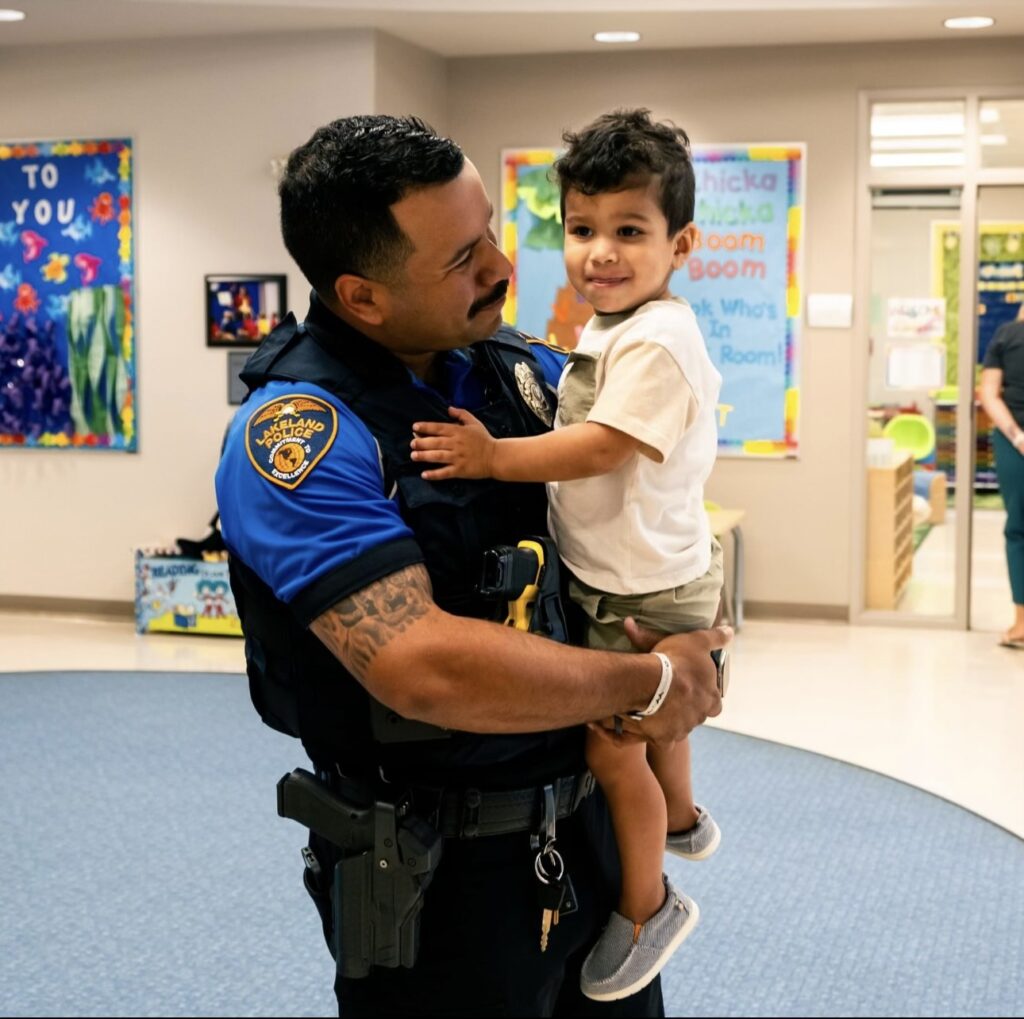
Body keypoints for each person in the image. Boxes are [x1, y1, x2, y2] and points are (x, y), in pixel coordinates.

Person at [214, 114, 730, 1018]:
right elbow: (422, 665)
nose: (500, 265)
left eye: (490, 229)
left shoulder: (521, 371)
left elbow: (650, 507)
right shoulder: (298, 439)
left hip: (593, 832)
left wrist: (692, 632)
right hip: (438, 876)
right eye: (462, 258)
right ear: (362, 297)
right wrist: (651, 680)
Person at [410, 109, 723, 1002]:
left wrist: (493, 457)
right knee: (660, 721)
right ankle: (688, 817)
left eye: (631, 231)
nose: (601, 253)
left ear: (682, 242)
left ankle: (647, 904)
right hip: (639, 574)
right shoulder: (613, 327)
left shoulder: (658, 337)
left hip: (646, 588)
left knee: (615, 746)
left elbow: (600, 447)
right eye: (583, 230)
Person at [980, 302, 1024, 648]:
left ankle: (1022, 625)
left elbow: (989, 394)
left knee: (1020, 529)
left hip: (1016, 445)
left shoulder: (1006, 336)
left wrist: (1017, 436)